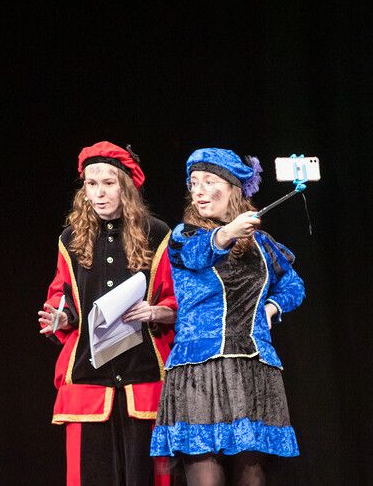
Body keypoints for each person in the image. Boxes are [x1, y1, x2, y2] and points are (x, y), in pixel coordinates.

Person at [150, 148, 306, 485]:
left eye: (209, 181)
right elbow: (200, 253)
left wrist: (271, 308)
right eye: (194, 183)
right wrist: (228, 232)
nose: (200, 190)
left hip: (252, 371)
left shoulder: (263, 244)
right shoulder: (185, 236)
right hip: (200, 371)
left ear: (234, 189)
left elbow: (294, 286)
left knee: (252, 478)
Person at [38, 141, 177, 486]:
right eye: (91, 184)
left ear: (126, 187)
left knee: (145, 476)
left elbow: (175, 299)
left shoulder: (156, 234)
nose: (99, 193)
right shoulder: (71, 239)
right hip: (90, 374)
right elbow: (62, 293)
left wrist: (158, 311)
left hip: (142, 370)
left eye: (108, 183)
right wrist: (62, 316)